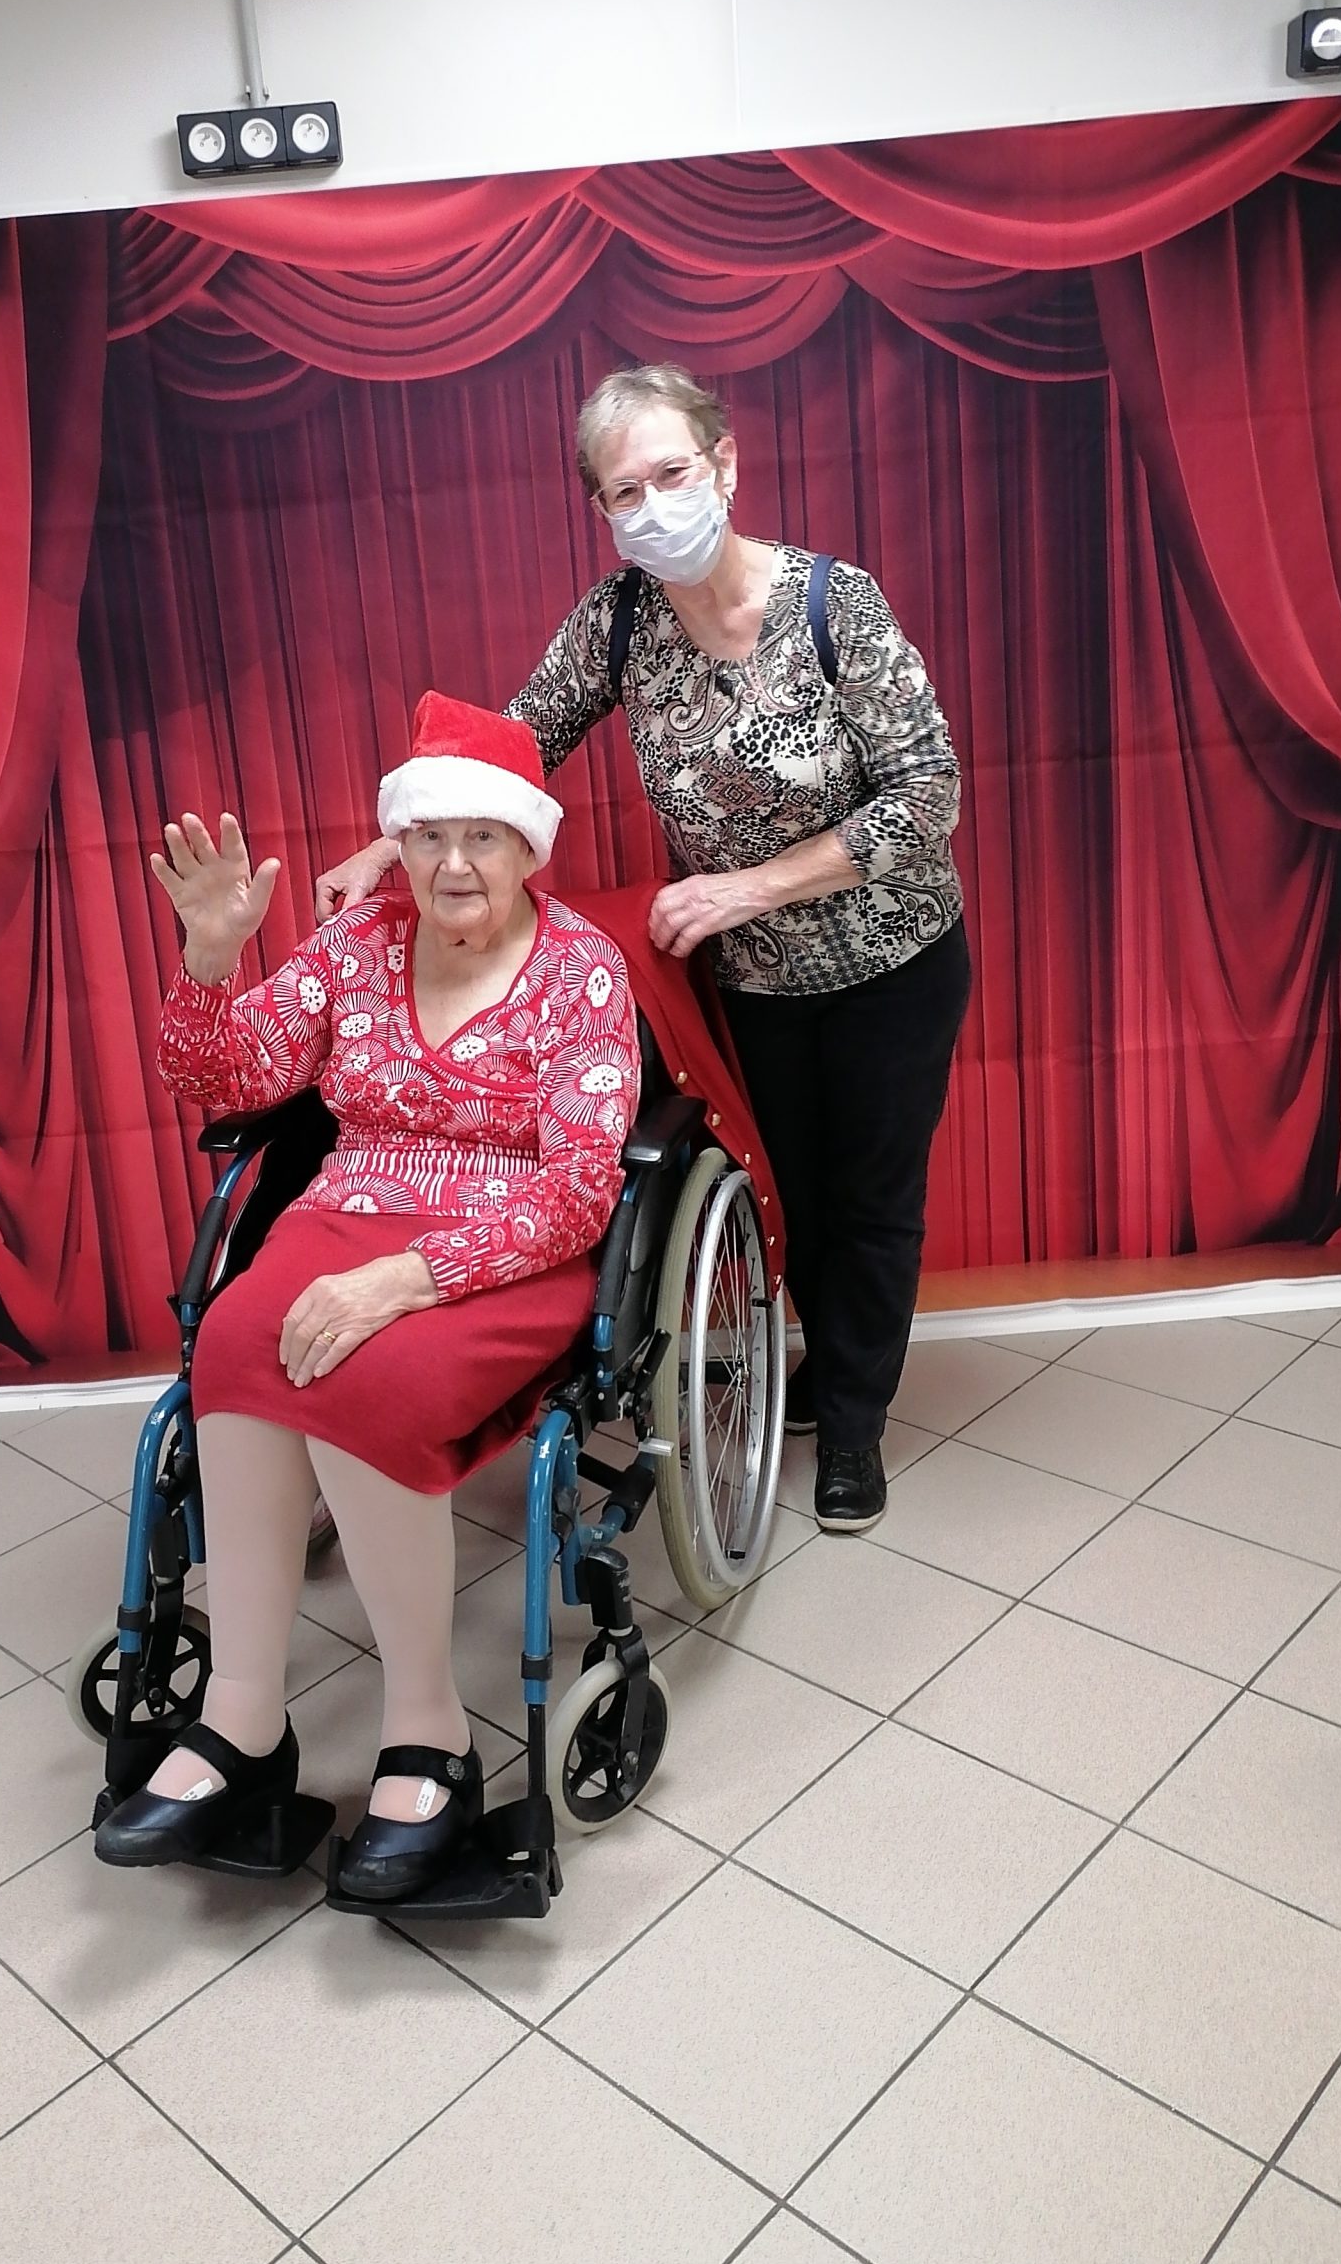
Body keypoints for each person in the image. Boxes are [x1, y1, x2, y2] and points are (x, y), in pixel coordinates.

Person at [318, 364, 969, 1536]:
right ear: (603, 510)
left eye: (673, 472)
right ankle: (825, 1360)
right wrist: (393, 840)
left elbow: (928, 796)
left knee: (872, 1196)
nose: (655, 504)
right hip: (746, 980)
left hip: (892, 961)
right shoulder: (619, 622)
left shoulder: (835, 604)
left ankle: (852, 1423)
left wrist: (744, 887)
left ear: (725, 464)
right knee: (789, 1189)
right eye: (627, 490)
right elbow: (514, 744)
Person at [95, 694, 639, 1902]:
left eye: (483, 836)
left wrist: (405, 1279)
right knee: (235, 1343)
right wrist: (210, 958)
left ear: (527, 846)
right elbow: (224, 1074)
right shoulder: (354, 947)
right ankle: (242, 1717)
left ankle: (429, 1729)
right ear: (400, 842)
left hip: (505, 1246)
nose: (455, 863)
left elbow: (578, 1195)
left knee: (367, 1381)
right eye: (430, 835)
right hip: (347, 1209)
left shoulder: (582, 975)